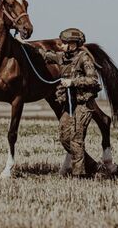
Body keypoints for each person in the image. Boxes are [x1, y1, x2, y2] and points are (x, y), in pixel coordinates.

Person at [36, 28, 102, 177]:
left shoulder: (84, 58)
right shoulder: (62, 57)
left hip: (83, 105)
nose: (60, 46)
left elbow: (93, 80)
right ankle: (92, 166)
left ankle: (79, 175)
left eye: (64, 43)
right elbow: (44, 55)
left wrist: (72, 82)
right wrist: (23, 44)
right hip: (69, 106)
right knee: (64, 138)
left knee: (76, 140)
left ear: (73, 44)